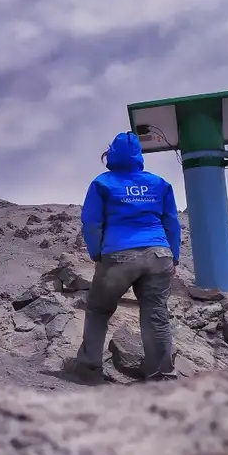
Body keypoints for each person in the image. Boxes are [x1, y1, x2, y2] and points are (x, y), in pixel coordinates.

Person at [70, 131, 182, 385]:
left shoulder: (103, 183)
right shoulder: (160, 184)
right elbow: (172, 222)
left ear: (112, 155)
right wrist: (174, 255)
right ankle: (161, 376)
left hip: (119, 254)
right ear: (138, 156)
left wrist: (96, 252)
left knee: (99, 309)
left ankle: (89, 369)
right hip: (158, 254)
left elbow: (92, 222)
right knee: (155, 314)